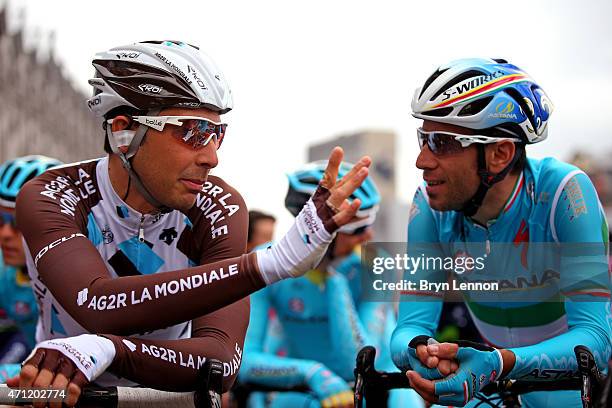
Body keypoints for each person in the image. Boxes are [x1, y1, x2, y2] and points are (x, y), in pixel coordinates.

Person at [5, 40, 371, 408]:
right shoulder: (51, 193)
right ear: (123, 132)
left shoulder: (219, 207)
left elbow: (221, 363)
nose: (212, 157)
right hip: (57, 393)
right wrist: (271, 263)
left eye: (217, 134)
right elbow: (94, 303)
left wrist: (107, 348)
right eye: (193, 131)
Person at [390, 58, 611, 407]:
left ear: (499, 153)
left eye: (442, 142)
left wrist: (499, 362)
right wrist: (423, 351)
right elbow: (408, 326)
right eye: (423, 138)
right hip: (503, 386)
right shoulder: (428, 207)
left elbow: (595, 341)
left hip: (586, 390)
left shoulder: (565, 195)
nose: (422, 161)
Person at [239, 161, 423, 407]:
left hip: (379, 384)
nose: (368, 236)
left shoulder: (374, 264)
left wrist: (333, 277)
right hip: (308, 384)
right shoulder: (265, 261)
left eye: (371, 223)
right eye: (358, 228)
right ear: (320, 229)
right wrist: (313, 373)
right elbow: (244, 362)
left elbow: (356, 363)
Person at [0, 155, 63, 368]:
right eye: (0, 221)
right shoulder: (5, 269)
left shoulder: (76, 281)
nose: (5, 234)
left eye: (18, 223)